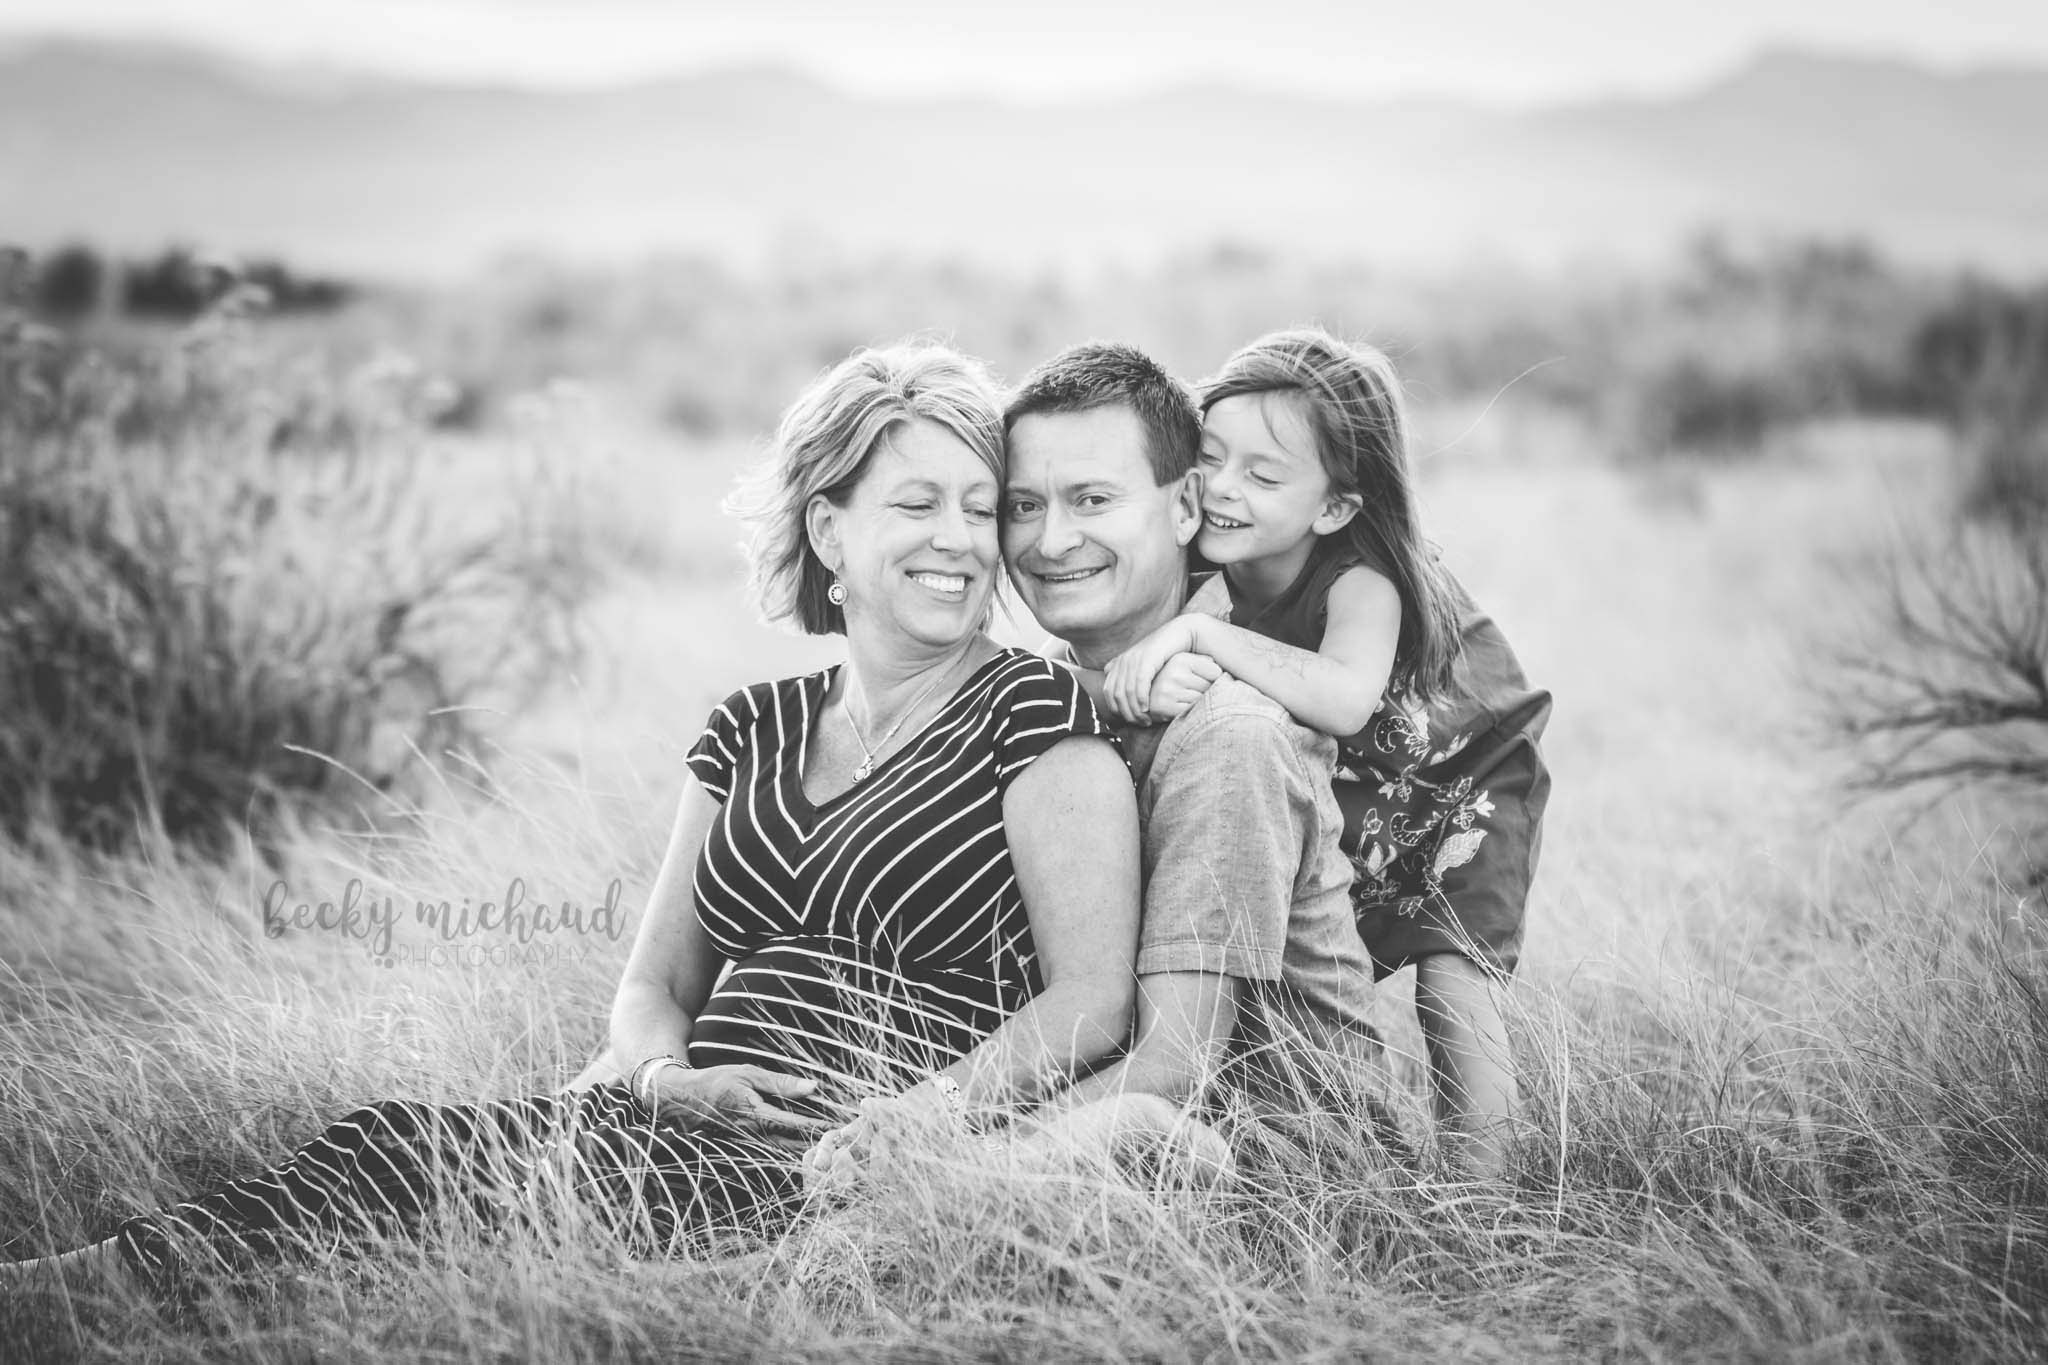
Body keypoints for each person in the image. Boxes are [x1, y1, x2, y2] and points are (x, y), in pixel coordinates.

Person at [2, 343, 1141, 1292]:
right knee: (382, 1141)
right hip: (669, 1126)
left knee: (394, 1190)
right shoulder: (751, 725)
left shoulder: (1035, 714)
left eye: (980, 509)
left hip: (832, 1159)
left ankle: (85, 1296)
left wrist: (919, 1122)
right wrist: (663, 1080)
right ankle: (89, 1291)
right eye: (916, 503)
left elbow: (1090, 998)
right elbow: (654, 990)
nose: (960, 538)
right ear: (830, 531)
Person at [1097, 327, 1551, 1177]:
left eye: (1264, 475)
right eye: (1211, 456)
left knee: (1452, 971)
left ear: (1335, 505)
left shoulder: (1361, 578)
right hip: (1359, 781)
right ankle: (1314, 1112)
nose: (1223, 490)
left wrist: (1202, 634)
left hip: (1461, 765)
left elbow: (1344, 698)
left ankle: (1482, 1205)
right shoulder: (1200, 549)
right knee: (1312, 915)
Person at [993, 341, 1387, 1136]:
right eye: (1023, 505)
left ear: (1185, 508)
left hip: (1287, 1172)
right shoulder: (1040, 694)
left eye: (1093, 499)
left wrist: (936, 1158)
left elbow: (1178, 1067)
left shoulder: (1231, 732)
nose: (1051, 541)